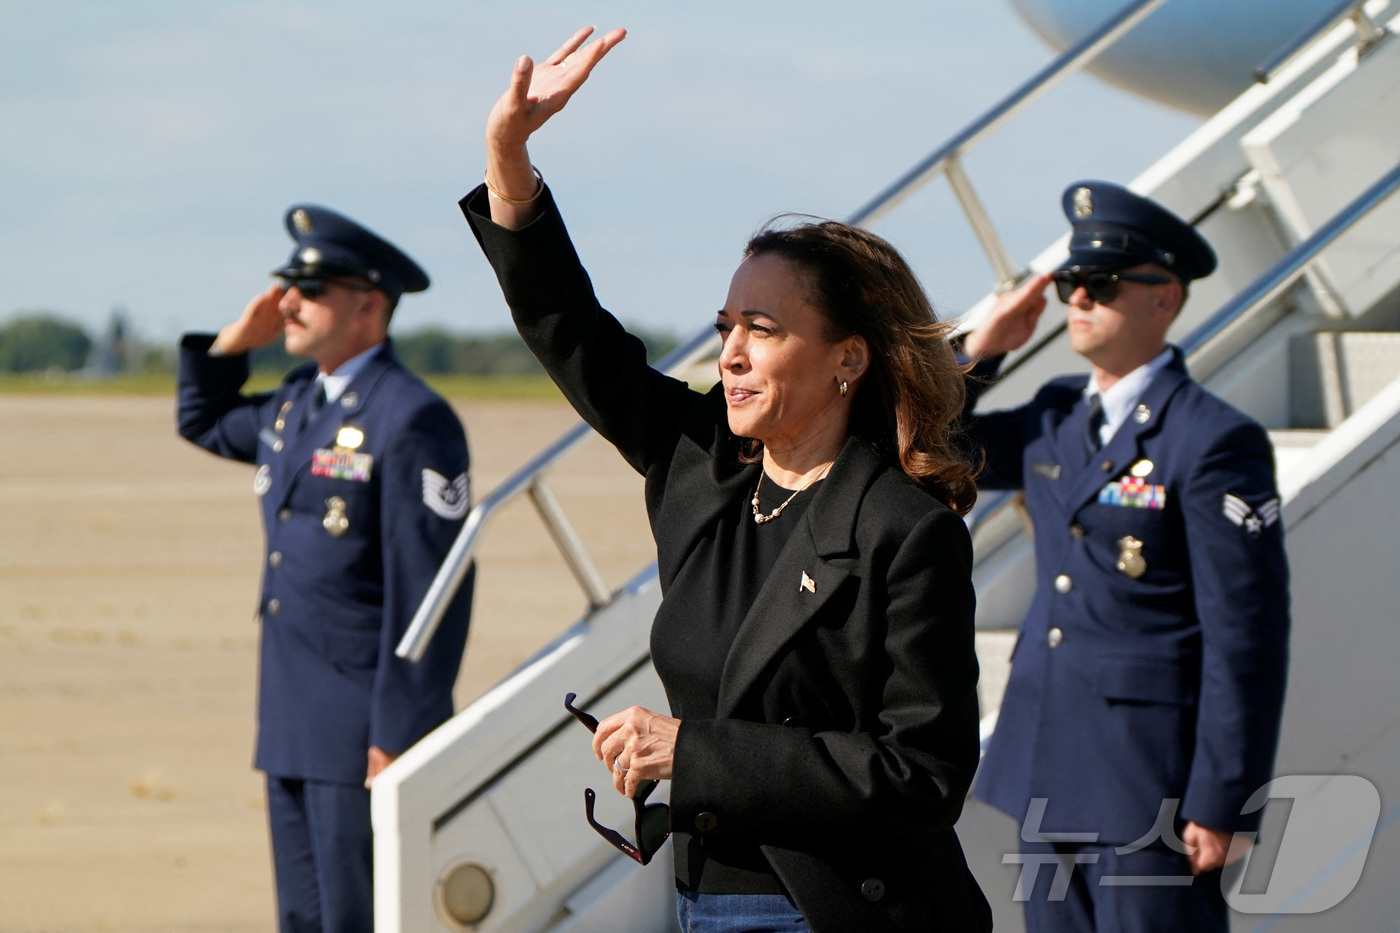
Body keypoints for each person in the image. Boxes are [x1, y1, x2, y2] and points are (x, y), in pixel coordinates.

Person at [459, 27, 991, 933]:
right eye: (725, 324)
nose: (731, 353)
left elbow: (922, 775)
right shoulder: (699, 460)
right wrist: (510, 159)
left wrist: (693, 753)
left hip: (838, 915)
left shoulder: (903, 529)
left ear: (847, 359)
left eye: (762, 327)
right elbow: (570, 329)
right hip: (702, 901)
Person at [961, 181, 1291, 931]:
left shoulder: (1211, 438)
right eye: (1074, 283)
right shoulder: (1052, 415)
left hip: (1152, 782)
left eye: (1101, 285)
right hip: (1047, 763)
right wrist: (978, 352)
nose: (1079, 300)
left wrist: (1224, 798)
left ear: (1163, 299)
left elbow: (1246, 634)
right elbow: (926, 449)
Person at [176, 205, 474, 933]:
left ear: (369, 304)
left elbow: (432, 593)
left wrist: (399, 731)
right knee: (301, 918)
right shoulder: (294, 406)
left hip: (359, 727)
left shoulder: (410, 417)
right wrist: (232, 345)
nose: (287, 304)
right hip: (289, 715)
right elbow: (204, 421)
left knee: (356, 917)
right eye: (286, 289)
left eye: (309, 291)